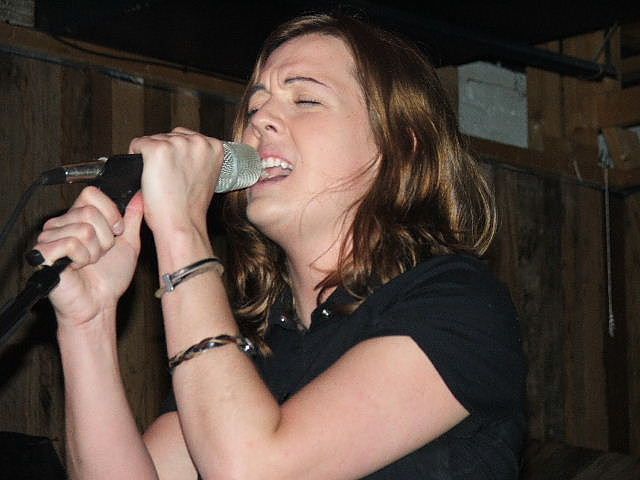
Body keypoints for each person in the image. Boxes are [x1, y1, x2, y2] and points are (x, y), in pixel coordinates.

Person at [32, 13, 526, 480]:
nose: (261, 117)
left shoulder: (458, 307)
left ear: (400, 147)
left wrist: (181, 228)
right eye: (255, 105)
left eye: (305, 99)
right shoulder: (254, 347)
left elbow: (253, 468)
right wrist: (87, 322)